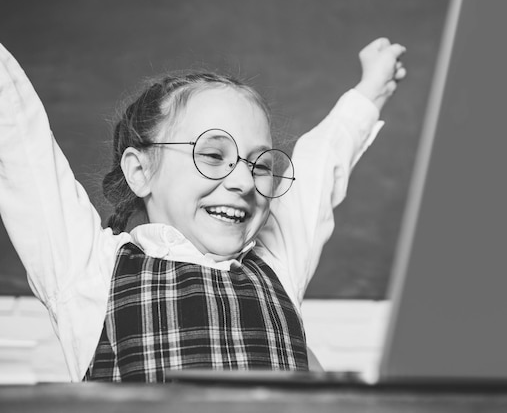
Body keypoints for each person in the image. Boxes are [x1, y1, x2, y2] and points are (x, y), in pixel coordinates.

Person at [0, 38, 406, 382]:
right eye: (213, 155)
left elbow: (323, 160)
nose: (245, 182)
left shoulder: (276, 263)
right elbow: (19, 138)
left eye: (259, 164)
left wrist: (370, 90)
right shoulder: (89, 273)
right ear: (140, 171)